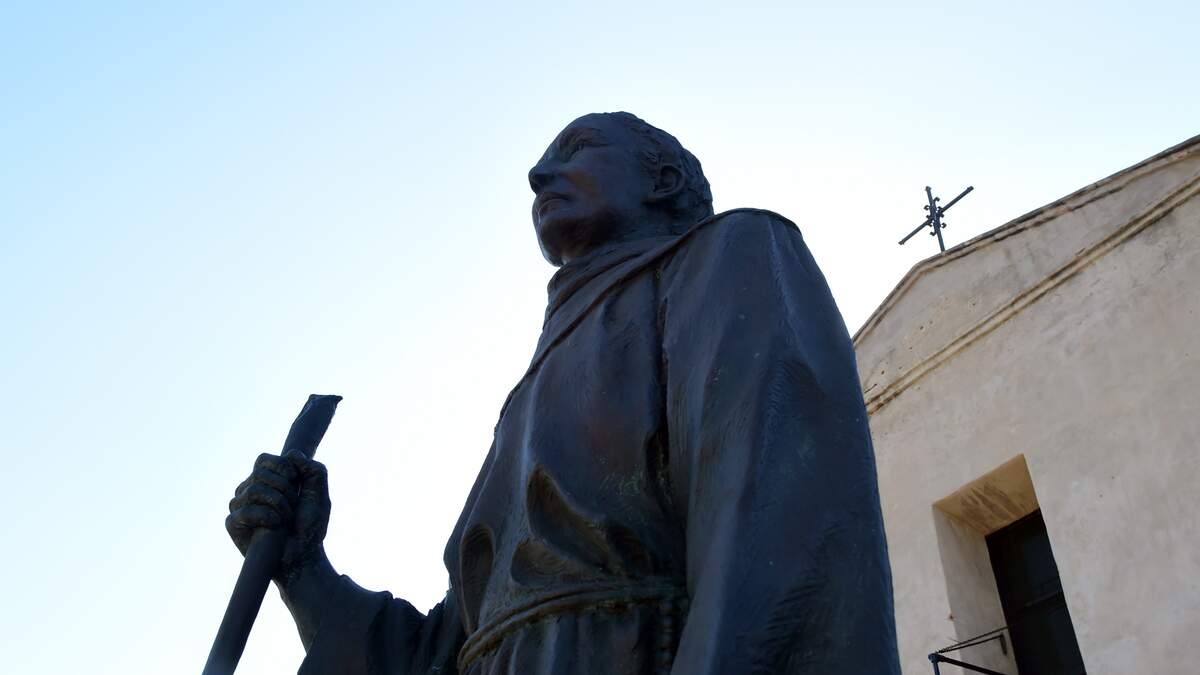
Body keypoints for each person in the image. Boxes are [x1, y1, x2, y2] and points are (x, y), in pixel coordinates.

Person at [227, 112, 901, 674]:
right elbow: (447, 653)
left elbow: (777, 545)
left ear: (661, 179)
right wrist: (302, 568)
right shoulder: (523, 402)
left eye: (575, 150)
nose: (539, 176)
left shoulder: (731, 257)